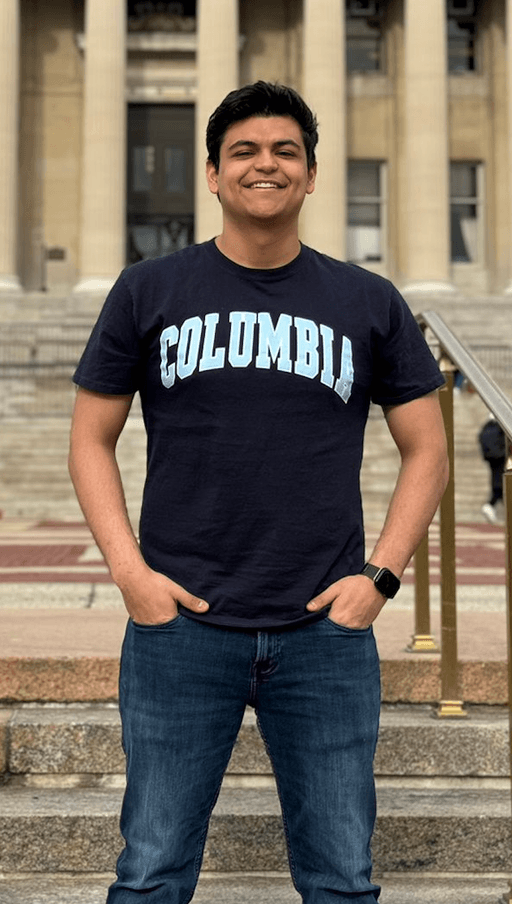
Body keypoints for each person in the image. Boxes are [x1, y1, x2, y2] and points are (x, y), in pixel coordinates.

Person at [69, 81, 449, 904]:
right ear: (212, 174)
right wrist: (132, 575)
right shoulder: (148, 290)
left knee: (343, 880)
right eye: (243, 151)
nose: (264, 164)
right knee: (150, 873)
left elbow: (428, 449)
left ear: (311, 174)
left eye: (285, 151)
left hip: (325, 633)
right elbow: (89, 439)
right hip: (179, 629)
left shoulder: (366, 300)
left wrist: (379, 579)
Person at [479, 415, 506, 524]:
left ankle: (490, 505)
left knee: (498, 482)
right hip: (500, 458)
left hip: (492, 458)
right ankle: (490, 505)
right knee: (500, 484)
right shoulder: (499, 428)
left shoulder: (486, 427)